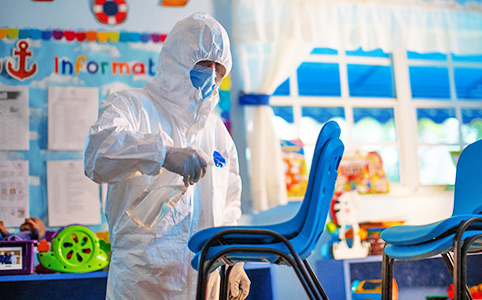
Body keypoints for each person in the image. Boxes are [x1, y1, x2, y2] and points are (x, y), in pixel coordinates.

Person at [83, 12, 250, 300]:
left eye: (218, 67)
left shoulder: (216, 130)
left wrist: (234, 260)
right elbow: (98, 156)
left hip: (204, 282)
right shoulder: (131, 106)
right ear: (177, 60)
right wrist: (161, 152)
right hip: (144, 280)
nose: (211, 73)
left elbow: (229, 204)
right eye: (202, 63)